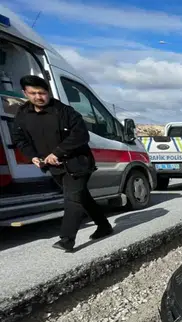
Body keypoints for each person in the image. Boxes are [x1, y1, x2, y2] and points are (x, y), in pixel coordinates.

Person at [11, 75, 113, 252]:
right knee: (82, 197)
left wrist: (57, 152)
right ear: (25, 93)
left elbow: (81, 135)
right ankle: (104, 226)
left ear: (48, 92)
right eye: (33, 93)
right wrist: (32, 156)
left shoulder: (65, 112)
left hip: (78, 163)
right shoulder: (22, 114)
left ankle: (67, 239)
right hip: (54, 167)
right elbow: (19, 138)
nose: (38, 97)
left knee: (72, 199)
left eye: (42, 93)